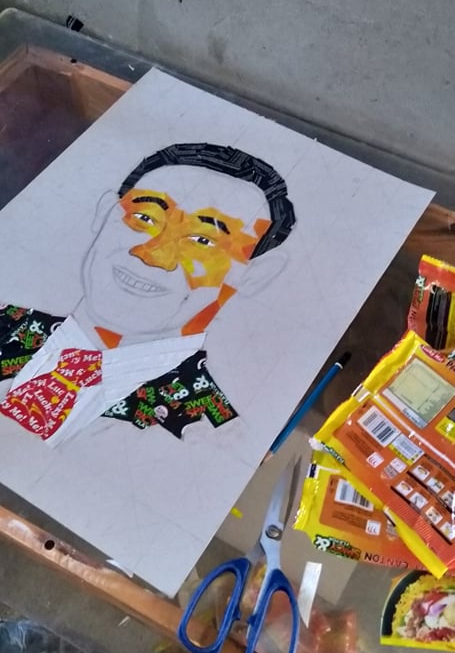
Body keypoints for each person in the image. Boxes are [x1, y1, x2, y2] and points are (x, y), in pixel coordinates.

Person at [0, 143, 295, 441]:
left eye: (203, 241)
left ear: (254, 275)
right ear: (105, 213)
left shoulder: (207, 431)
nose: (154, 254)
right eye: (145, 218)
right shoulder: (8, 324)